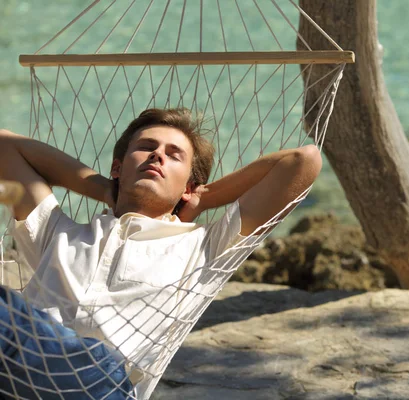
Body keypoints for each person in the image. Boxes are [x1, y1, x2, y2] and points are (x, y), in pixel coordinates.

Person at [0, 108, 322, 399]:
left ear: (187, 186)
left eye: (174, 155)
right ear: (117, 167)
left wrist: (203, 198)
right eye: (146, 147)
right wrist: (102, 188)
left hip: (100, 383)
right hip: (22, 360)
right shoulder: (56, 232)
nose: (157, 156)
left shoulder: (204, 248)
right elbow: (5, 145)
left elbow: (303, 162)